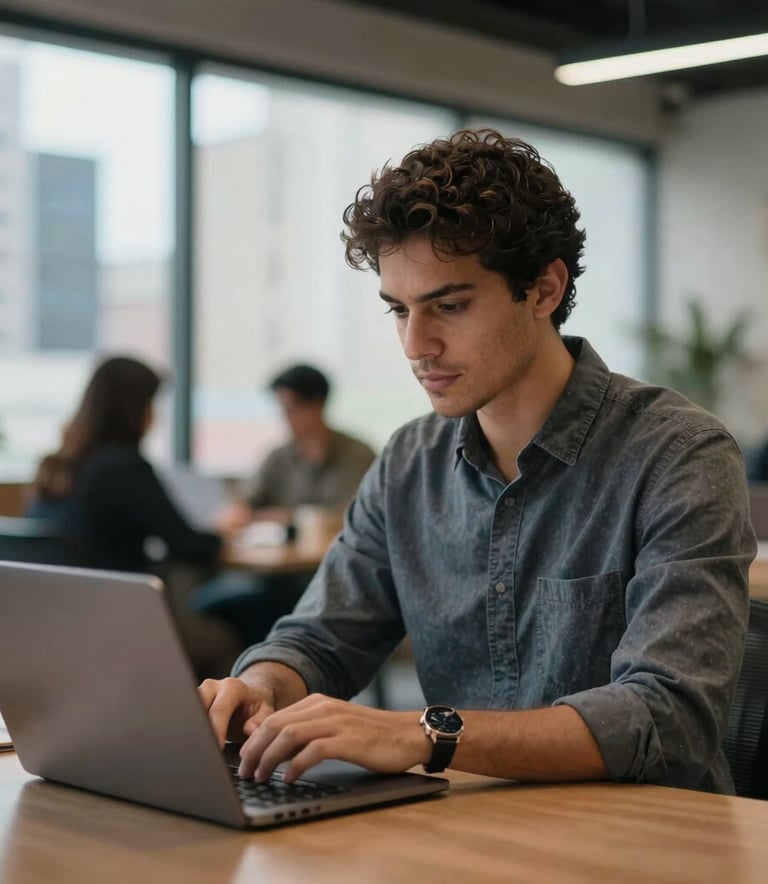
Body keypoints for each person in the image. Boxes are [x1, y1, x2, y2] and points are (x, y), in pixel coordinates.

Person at [200, 129, 755, 794]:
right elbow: (320, 639)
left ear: (545, 289)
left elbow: (669, 718)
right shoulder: (408, 462)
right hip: (467, 829)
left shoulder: (678, 455)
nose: (416, 344)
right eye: (398, 310)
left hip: (642, 839)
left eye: (449, 306)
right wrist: (260, 686)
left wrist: (421, 734)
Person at [28, 356, 240, 675]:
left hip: (56, 627)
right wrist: (221, 531)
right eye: (152, 404)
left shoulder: (54, 468)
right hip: (125, 622)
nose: (155, 416)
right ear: (135, 408)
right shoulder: (125, 468)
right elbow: (191, 546)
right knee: (225, 640)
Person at [221, 363, 376, 531]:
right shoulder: (278, 457)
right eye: (282, 410)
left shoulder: (359, 456)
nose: (286, 418)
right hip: (283, 554)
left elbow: (355, 516)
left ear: (317, 404)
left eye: (292, 410)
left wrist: (291, 517)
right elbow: (245, 505)